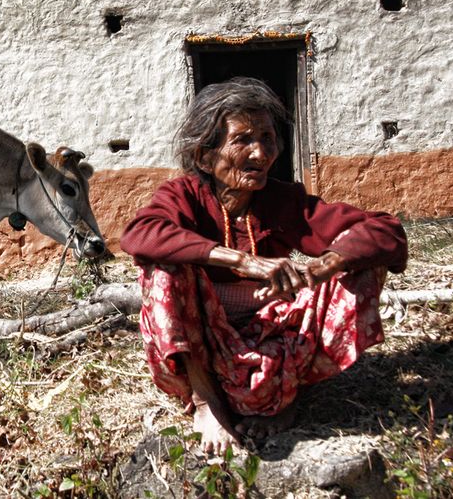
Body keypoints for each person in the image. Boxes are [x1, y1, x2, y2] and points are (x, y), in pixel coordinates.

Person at [120, 77, 407, 455]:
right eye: (242, 140)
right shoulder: (184, 196)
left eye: (268, 139)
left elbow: (385, 231)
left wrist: (322, 267)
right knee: (163, 270)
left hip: (270, 335)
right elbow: (140, 233)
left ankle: (289, 395)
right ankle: (207, 402)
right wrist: (242, 260)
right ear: (205, 156)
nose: (260, 154)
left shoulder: (282, 200)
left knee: (362, 265)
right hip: (203, 347)